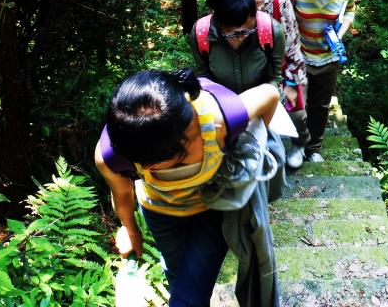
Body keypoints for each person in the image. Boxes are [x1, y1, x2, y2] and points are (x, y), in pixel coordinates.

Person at [95, 69, 279, 307]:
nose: (196, 135)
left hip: (211, 209)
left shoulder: (222, 119)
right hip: (160, 213)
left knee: (189, 298)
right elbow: (121, 193)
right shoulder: (113, 155)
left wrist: (250, 147)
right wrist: (130, 231)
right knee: (177, 275)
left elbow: (270, 94)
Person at [209, 0, 309, 168]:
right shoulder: (225, 0)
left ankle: (300, 144)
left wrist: (291, 83)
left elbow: (292, 45)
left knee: (296, 114)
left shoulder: (278, 1)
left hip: (276, 71)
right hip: (241, 68)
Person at [280, 0, 356, 164]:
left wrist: (340, 34)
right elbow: (281, 15)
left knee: (320, 106)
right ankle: (297, 145)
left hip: (328, 57)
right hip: (296, 57)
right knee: (296, 106)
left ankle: (313, 149)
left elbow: (350, 11)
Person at [188, 0, 285, 95]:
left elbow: (274, 77)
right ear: (218, 23)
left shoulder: (271, 30)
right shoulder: (201, 33)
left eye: (248, 30)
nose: (241, 37)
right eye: (233, 33)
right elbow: (204, 77)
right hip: (221, 100)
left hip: (263, 99)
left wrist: (257, 100)